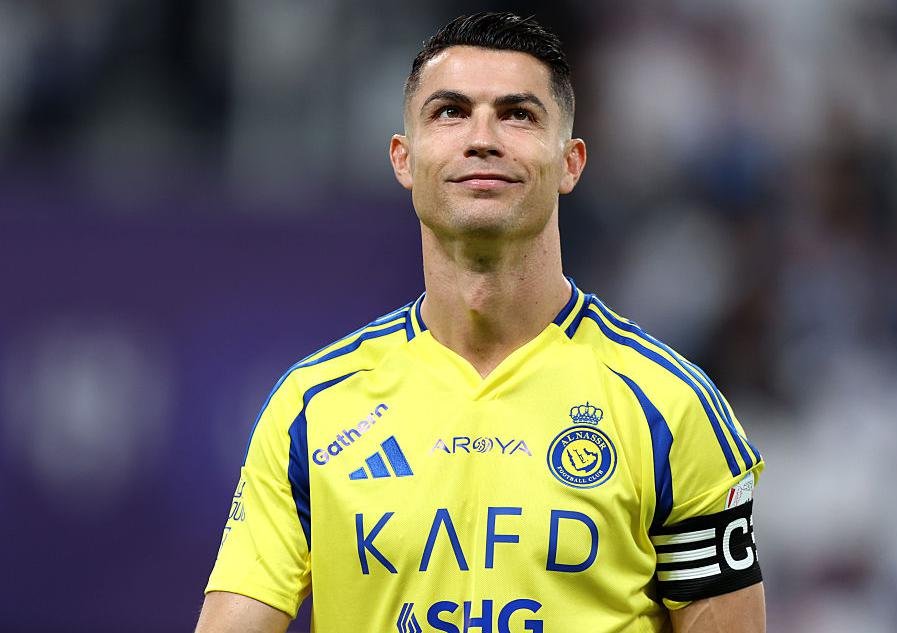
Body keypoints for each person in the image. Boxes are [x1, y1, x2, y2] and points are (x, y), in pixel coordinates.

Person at [195, 12, 765, 633]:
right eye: (451, 112)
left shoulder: (670, 407)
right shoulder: (312, 407)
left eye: (518, 115)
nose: (482, 139)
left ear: (571, 163)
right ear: (403, 159)